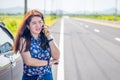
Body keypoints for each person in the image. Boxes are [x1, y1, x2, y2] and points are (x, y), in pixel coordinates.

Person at [13, 9, 60, 80]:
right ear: (28, 26)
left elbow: (57, 56)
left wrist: (49, 37)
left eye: (40, 22)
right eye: (34, 23)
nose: (38, 25)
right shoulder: (23, 40)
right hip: (30, 78)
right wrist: (48, 62)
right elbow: (28, 61)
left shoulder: (47, 37)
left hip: (47, 76)